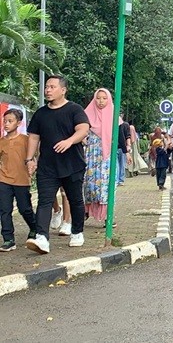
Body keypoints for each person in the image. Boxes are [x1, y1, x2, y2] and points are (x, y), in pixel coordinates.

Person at [25, 74, 90, 254]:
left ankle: (77, 232)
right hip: (47, 166)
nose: (48, 90)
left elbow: (83, 129)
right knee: (44, 201)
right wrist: (29, 159)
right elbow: (33, 137)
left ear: (63, 90)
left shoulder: (74, 109)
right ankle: (42, 238)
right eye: (46, 87)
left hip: (72, 164)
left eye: (52, 87)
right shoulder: (41, 113)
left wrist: (69, 141)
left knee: (75, 200)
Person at [0, 108, 35, 252]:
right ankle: (8, 239)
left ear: (19, 123)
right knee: (4, 210)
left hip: (22, 180)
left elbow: (34, 155)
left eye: (10, 121)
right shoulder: (1, 141)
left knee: (25, 208)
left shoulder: (26, 140)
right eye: (5, 121)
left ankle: (34, 227)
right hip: (3, 179)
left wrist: (33, 165)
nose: (6, 124)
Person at [82, 88, 114, 225]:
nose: (101, 101)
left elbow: (121, 136)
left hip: (107, 155)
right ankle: (85, 211)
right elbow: (80, 131)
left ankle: (108, 216)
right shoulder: (86, 115)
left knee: (106, 185)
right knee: (89, 183)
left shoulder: (113, 115)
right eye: (98, 98)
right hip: (91, 153)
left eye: (104, 98)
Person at [116, 112, 132, 187]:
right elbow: (128, 136)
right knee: (119, 164)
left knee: (119, 164)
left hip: (121, 147)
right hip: (119, 147)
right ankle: (119, 180)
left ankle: (119, 180)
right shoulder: (124, 124)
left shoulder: (124, 125)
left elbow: (127, 136)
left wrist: (128, 146)